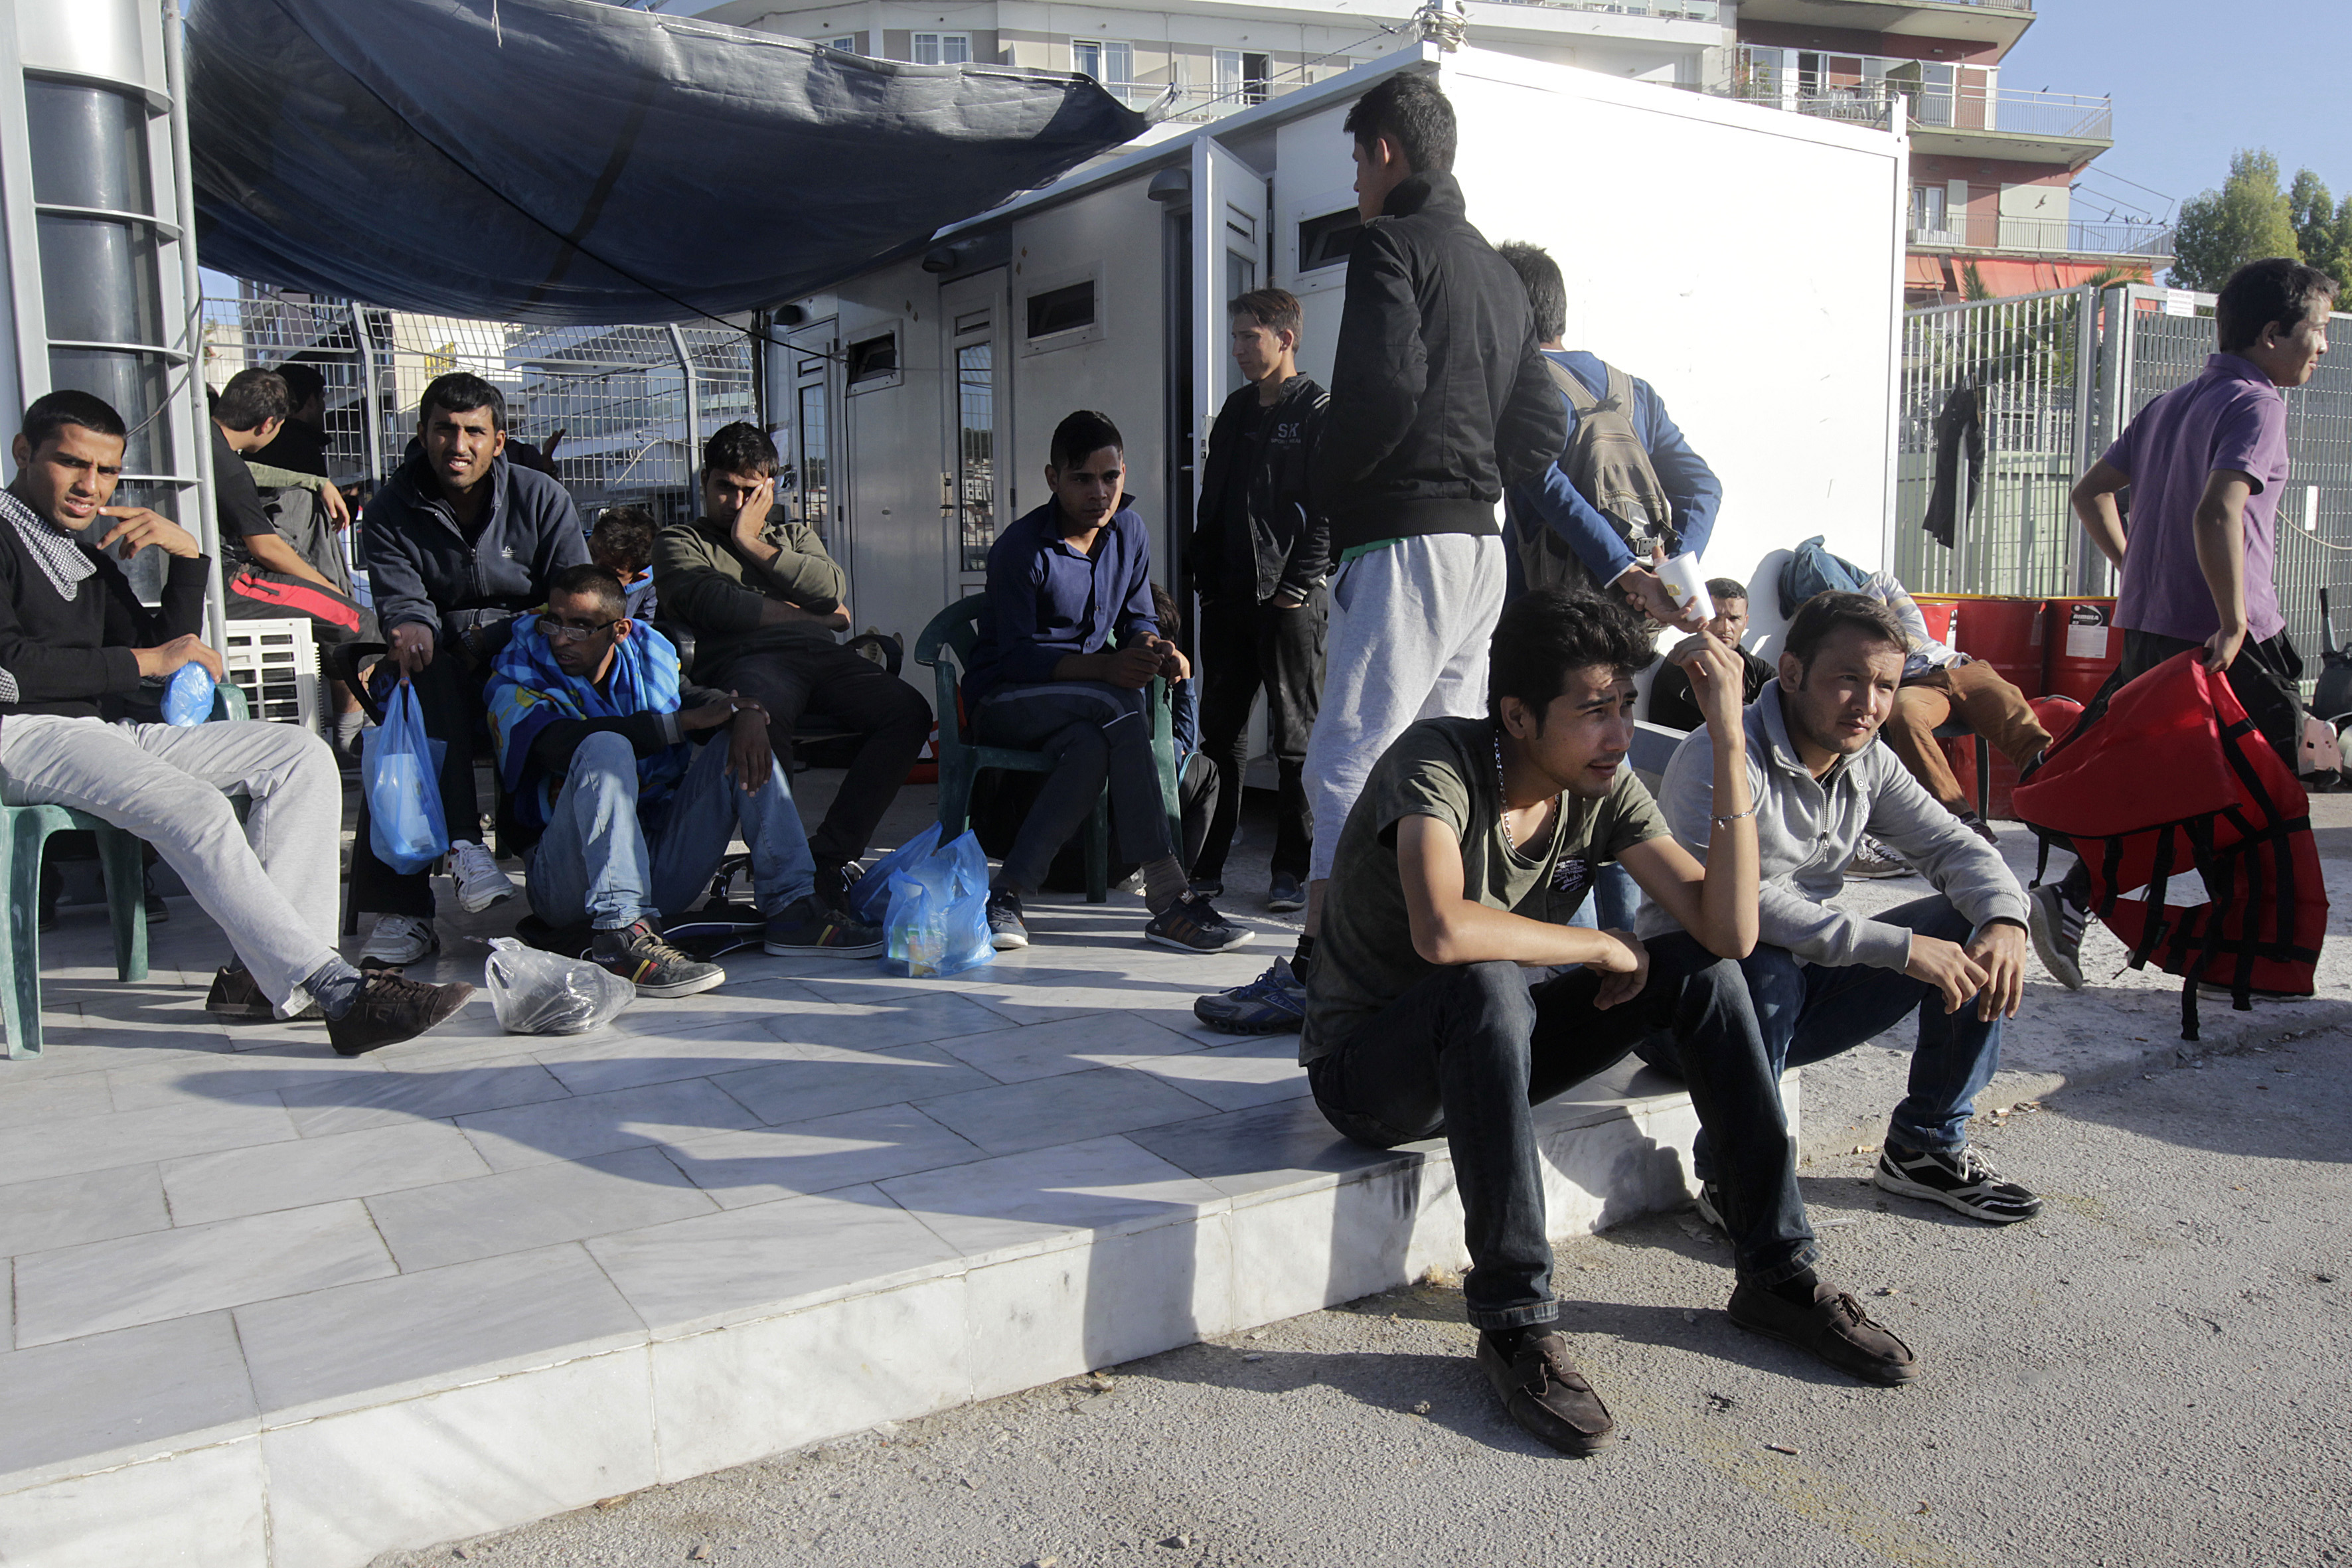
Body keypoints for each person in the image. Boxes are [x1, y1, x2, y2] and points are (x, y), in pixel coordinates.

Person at [1308, 589, 1918, 1456]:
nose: (1620, 734)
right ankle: (1515, 1322)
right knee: (1485, 980)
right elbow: (1441, 928)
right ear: (1518, 716)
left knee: (1700, 971)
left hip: (1492, 1050)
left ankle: (1777, 1274)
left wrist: (1730, 737)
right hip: (1370, 1076)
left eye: (1626, 705)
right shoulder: (1435, 761)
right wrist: (1598, 943)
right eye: (1594, 711)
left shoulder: (1600, 786)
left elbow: (1730, 930)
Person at [1196, 74, 1563, 1034]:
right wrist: (1476, 477)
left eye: (1358, 161)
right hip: (1477, 547)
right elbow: (1544, 418)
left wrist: (1330, 486)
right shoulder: (1497, 270)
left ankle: (1319, 971)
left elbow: (1385, 389)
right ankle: (1428, 962)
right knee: (1445, 765)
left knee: (1345, 760)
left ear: (1385, 152)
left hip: (1403, 542)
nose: (1356, 182)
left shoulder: (1390, 244)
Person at [0, 390, 473, 1054]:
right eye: (73, 463)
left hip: (104, 732)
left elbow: (158, 662)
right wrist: (147, 660)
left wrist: (188, 560)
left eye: (107, 471)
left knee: (299, 756)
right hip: (25, 732)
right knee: (194, 808)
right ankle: (336, 989)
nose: (91, 486)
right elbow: (12, 670)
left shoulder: (77, 552)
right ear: (24, 452)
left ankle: (263, 980)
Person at [1637, 589, 2043, 1233]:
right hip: (1685, 1010)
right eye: (1848, 679)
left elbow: (1953, 845)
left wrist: (2005, 920)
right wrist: (1898, 947)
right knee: (1761, 961)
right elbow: (1731, 904)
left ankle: (1926, 1146)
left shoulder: (1866, 759)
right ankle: (1734, 1177)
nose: (1869, 704)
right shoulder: (1720, 750)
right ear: (1791, 672)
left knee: (1971, 925)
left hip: (1798, 992)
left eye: (1885, 685)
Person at [2035, 257, 2336, 990]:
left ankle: (2080, 900)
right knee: (2254, 795)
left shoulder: (2170, 405)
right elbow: (2216, 511)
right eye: (2319, 330)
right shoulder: (2257, 404)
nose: (2324, 346)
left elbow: (2090, 494)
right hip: (2225, 639)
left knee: (2175, 785)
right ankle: (2239, 951)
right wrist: (2232, 620)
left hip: (2150, 631)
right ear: (2273, 335)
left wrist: (2137, 566)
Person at [487, 564, 884, 994]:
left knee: (739, 741)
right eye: (555, 622)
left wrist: (744, 712)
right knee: (605, 745)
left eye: (580, 626)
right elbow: (555, 744)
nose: (561, 639)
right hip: (567, 881)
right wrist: (681, 724)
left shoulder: (646, 655)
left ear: (619, 630)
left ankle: (793, 909)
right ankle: (621, 936)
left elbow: (689, 697)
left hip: (656, 865)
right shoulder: (519, 666)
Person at [966, 410, 1244, 954]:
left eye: (1110, 477)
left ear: (1123, 472)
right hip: (1006, 701)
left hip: (1083, 708)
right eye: (1082, 479)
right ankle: (1168, 894)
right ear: (1053, 479)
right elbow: (1017, 658)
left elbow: (1138, 616)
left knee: (1092, 743)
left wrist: (1154, 648)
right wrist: (1106, 668)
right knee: (1116, 701)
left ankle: (1008, 894)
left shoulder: (1129, 532)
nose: (1099, 493)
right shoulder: (1020, 548)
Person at [355, 371, 591, 966]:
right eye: (443, 429)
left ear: (498, 441)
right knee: (406, 702)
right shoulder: (388, 509)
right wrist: (411, 625)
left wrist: (495, 637)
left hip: (528, 658)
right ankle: (415, 900)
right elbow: (402, 600)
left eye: (473, 432)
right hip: (441, 664)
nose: (457, 445)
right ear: (422, 434)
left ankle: (577, 884)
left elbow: (572, 598)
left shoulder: (542, 498)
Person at [653, 423, 930, 907]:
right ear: (704, 482)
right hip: (748, 661)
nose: (737, 503)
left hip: (822, 658)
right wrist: (817, 616)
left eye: (750, 491)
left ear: (770, 489)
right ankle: (781, 875)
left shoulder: (792, 535)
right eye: (725, 488)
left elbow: (831, 588)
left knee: (909, 712)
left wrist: (749, 541)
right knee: (761, 719)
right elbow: (716, 604)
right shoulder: (681, 541)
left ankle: (829, 855)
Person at [1186, 287, 1328, 913]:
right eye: (1235, 337)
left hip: (1288, 603)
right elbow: (1213, 500)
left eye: (1249, 337)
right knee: (1220, 737)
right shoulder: (1236, 408)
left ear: (1284, 338)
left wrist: (1296, 587)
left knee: (1296, 740)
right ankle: (1207, 863)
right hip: (1228, 601)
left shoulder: (1318, 409)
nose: (1238, 349)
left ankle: (1291, 870)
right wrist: (1205, 580)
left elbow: (1328, 508)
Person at [1496, 240, 1723, 629]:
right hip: (1632, 611)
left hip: (1546, 612)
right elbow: (1703, 487)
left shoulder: (1520, 386)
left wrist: (1624, 571)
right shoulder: (1635, 393)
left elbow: (1544, 483)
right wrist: (1669, 578)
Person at [212, 369, 376, 751]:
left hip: (215, 578)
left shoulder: (207, 444)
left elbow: (255, 471)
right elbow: (266, 548)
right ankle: (349, 743)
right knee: (357, 621)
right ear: (268, 424)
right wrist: (328, 588)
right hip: (231, 580)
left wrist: (316, 482)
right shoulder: (230, 470)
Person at [1863, 567, 2049, 847]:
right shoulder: (1854, 639)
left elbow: (1883, 579)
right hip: (1917, 687)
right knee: (1904, 715)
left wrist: (1872, 611)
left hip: (1963, 669)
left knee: (2010, 706)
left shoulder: (1906, 621)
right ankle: (1960, 817)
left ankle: (2053, 789)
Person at [1646, 578, 1771, 734]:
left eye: (1734, 619)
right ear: (1699, 617)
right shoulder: (1681, 663)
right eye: (1715, 618)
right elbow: (1728, 715)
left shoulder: (1755, 667)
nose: (1725, 628)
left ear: (1745, 622)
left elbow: (1787, 702)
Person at [250, 360, 331, 478]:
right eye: (322, 398)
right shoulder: (305, 448)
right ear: (311, 400)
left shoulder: (257, 442)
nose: (324, 407)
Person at [590, 505, 660, 621]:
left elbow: (642, 628)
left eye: (607, 572)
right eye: (591, 554)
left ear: (636, 579)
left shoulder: (650, 589)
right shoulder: (566, 550)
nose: (592, 570)